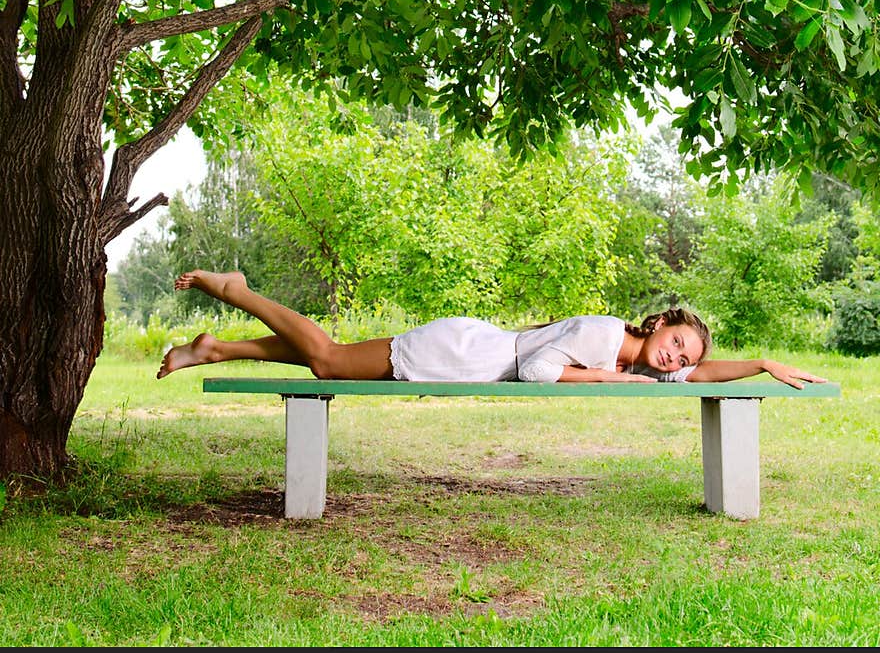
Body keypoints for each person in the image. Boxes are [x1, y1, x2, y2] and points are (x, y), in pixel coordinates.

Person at [156, 269, 826, 388]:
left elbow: (704, 374)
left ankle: (211, 350)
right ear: (659, 325)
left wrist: (762, 364)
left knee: (332, 359)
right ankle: (243, 294)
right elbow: (538, 370)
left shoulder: (633, 356)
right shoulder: (602, 342)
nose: (680, 358)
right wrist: (595, 377)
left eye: (683, 357)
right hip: (463, 354)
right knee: (328, 360)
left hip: (472, 349)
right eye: (678, 341)